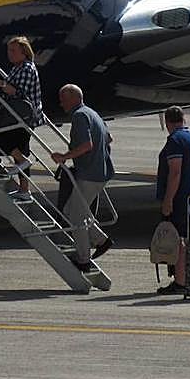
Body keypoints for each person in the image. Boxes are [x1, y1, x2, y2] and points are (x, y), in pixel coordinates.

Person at [50, 83, 113, 268]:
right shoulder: (92, 113)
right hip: (100, 172)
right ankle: (101, 240)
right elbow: (109, 138)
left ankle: (84, 259)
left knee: (76, 216)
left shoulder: (79, 116)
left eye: (63, 99)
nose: (61, 104)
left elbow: (87, 145)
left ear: (75, 98)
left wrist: (64, 157)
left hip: (89, 175)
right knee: (72, 211)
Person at [0, 36, 43, 203]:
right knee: (20, 149)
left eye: (13, 51)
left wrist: (1, 84)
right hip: (18, 114)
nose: (9, 54)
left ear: (24, 53)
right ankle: (24, 190)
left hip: (23, 115)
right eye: (8, 50)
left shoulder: (26, 68)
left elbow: (19, 93)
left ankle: (23, 164)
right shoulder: (17, 68)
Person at [155, 105, 190, 295]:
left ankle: (181, 281)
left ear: (167, 122)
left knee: (178, 239)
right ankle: (186, 277)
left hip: (179, 198)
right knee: (186, 238)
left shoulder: (175, 140)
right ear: (183, 119)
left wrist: (168, 200)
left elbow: (175, 173)